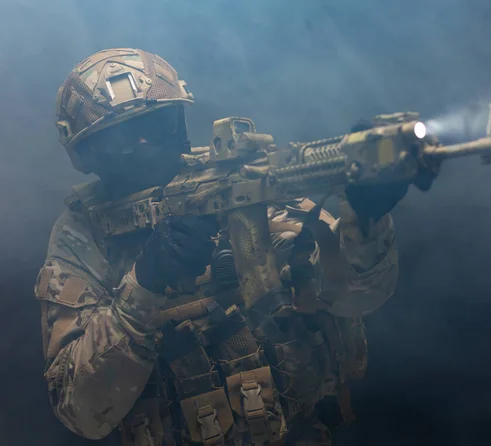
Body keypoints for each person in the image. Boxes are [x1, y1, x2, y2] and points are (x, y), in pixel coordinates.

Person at [34, 48, 403, 446]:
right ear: (88, 155)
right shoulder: (83, 234)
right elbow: (81, 411)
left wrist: (366, 222)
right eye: (125, 138)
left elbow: (359, 297)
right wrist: (144, 283)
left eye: (160, 125)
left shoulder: (238, 184)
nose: (147, 145)